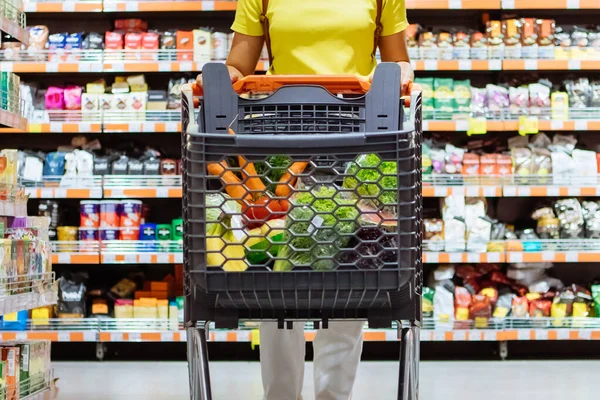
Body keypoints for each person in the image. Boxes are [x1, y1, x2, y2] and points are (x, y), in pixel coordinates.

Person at [197, 1, 413, 399]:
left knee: (348, 277)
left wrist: (402, 73)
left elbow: (397, 62)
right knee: (278, 280)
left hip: (356, 139)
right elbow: (239, 65)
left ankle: (334, 395)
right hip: (283, 137)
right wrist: (216, 77)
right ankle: (280, 395)